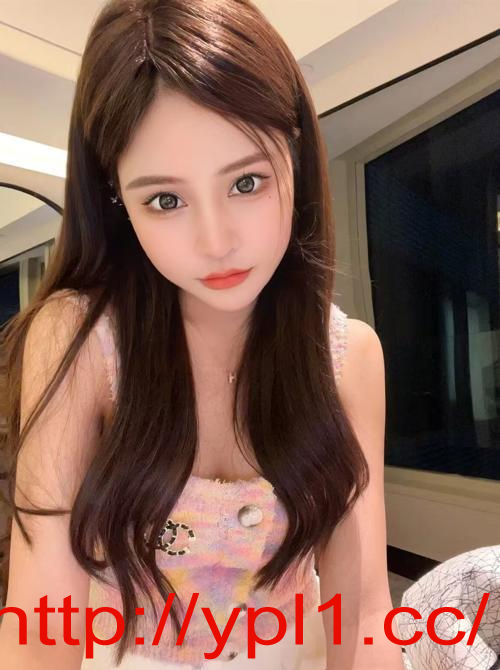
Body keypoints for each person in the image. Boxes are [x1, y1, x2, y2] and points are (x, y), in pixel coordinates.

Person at [0, 1, 404, 668]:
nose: (216, 242)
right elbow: (43, 628)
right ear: (118, 202)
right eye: (165, 200)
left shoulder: (347, 356)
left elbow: (362, 613)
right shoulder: (79, 342)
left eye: (246, 181)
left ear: (296, 158)